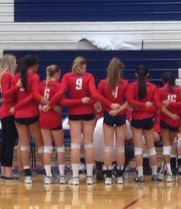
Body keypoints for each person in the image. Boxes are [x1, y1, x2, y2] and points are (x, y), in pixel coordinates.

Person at [42, 56, 117, 185]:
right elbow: (95, 95)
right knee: (89, 145)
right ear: (83, 66)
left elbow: (60, 95)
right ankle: (89, 177)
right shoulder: (89, 77)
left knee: (75, 145)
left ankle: (75, 177)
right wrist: (109, 104)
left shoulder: (67, 77)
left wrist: (49, 104)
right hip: (88, 113)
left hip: (74, 113)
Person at [39, 65, 90, 184]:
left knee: (47, 148)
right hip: (54, 119)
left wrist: (43, 106)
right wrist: (54, 107)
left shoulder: (41, 85)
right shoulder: (58, 85)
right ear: (57, 73)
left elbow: (38, 100)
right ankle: (61, 176)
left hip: (43, 118)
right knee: (60, 148)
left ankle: (48, 177)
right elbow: (61, 105)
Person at [10, 55, 46, 184]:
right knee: (40, 144)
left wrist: (16, 107)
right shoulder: (34, 77)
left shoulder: (15, 78)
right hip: (32, 114)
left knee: (23, 145)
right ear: (34, 65)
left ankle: (27, 174)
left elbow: (11, 96)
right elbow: (34, 96)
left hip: (18, 116)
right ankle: (48, 173)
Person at [98, 57, 129, 185]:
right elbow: (128, 102)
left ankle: (108, 176)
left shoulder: (103, 83)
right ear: (120, 70)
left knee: (108, 147)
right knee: (120, 148)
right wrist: (118, 109)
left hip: (108, 115)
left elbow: (99, 101)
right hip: (120, 115)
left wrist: (110, 106)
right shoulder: (125, 83)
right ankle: (120, 176)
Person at [126, 65, 159, 182]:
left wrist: (140, 106)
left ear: (135, 74)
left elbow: (130, 101)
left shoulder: (131, 86)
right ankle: (155, 174)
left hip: (136, 119)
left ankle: (140, 175)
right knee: (151, 148)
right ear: (148, 75)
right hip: (148, 119)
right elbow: (156, 103)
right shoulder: (153, 87)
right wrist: (146, 105)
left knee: (138, 149)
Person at [156, 72, 181, 182]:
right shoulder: (180, 90)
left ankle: (169, 173)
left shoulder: (160, 90)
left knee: (166, 147)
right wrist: (176, 115)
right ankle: (163, 170)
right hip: (175, 121)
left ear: (164, 81)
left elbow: (159, 105)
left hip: (166, 120)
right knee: (168, 147)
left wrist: (170, 114)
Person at [0, 54, 20, 180]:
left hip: (6, 110)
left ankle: (4, 171)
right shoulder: (7, 75)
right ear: (11, 62)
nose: (16, 64)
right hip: (8, 112)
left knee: (6, 142)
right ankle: (7, 172)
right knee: (8, 143)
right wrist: (17, 86)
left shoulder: (4, 75)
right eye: (15, 61)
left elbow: (4, 96)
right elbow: (6, 94)